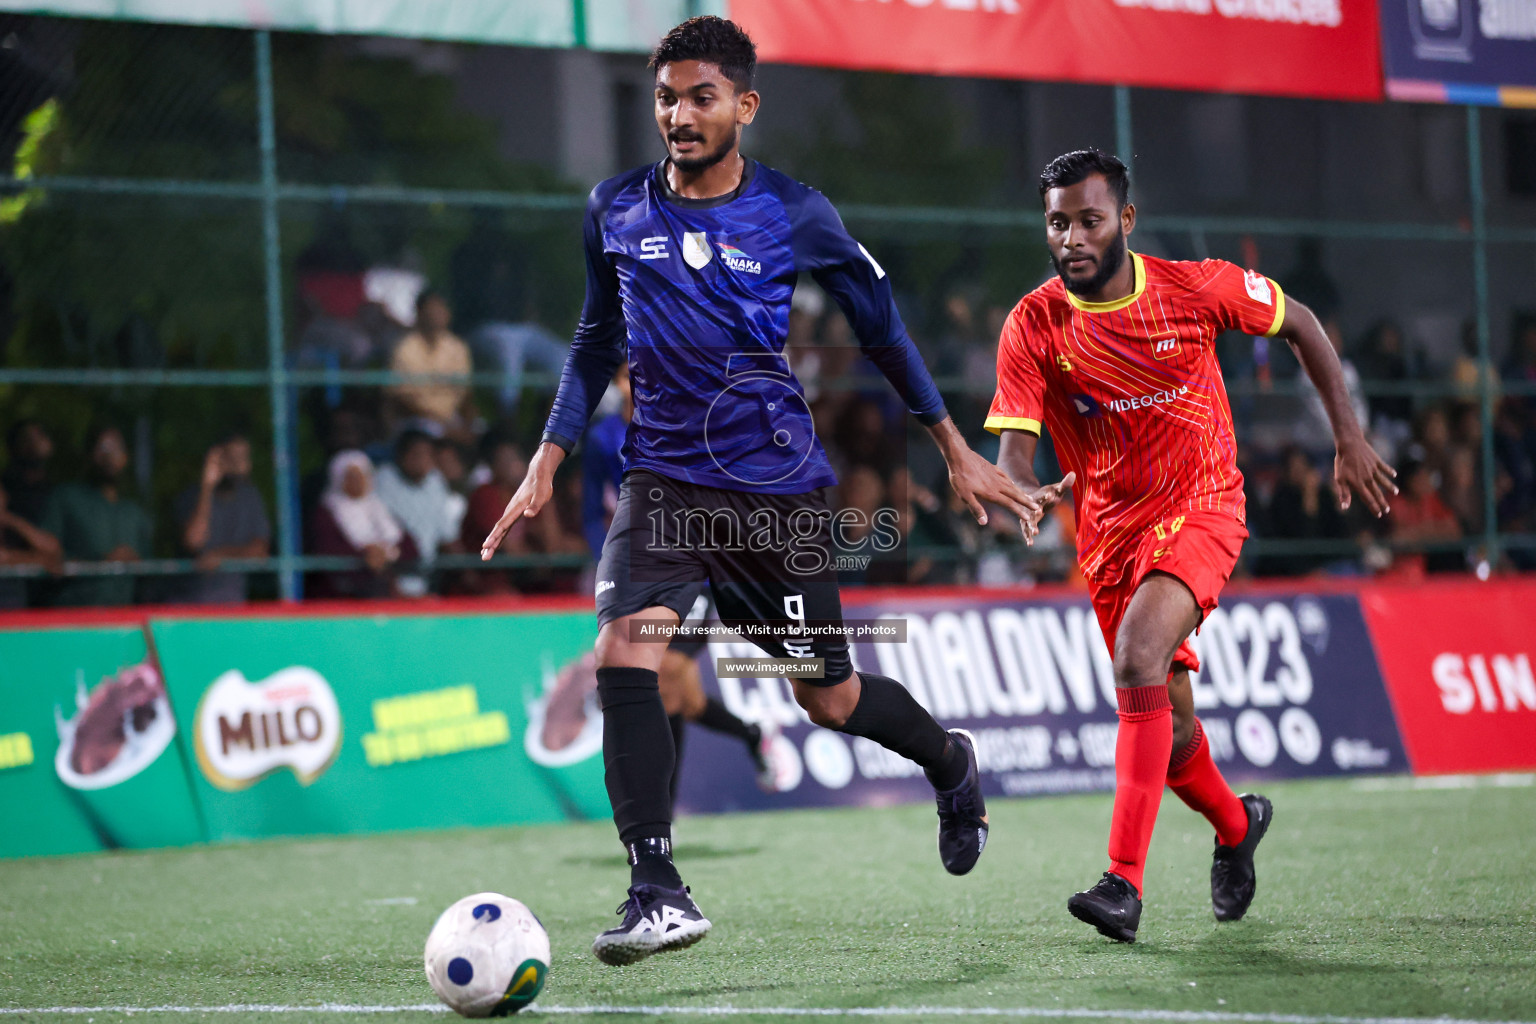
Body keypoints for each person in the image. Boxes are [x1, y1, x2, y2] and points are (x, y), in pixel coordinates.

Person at [479, 16, 1036, 967]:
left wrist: (951, 443)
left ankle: (950, 760)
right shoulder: (614, 207)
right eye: (664, 97)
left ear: (745, 105)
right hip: (661, 482)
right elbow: (592, 341)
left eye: (700, 97)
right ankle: (656, 887)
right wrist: (551, 452)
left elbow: (884, 331)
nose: (679, 115)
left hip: (775, 497)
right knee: (624, 645)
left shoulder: (796, 212)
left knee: (829, 696)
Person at [989, 150, 1396, 943]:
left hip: (1204, 504)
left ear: (1126, 221)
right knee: (1171, 733)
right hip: (1110, 536)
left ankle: (1122, 884)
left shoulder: (1195, 287)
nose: (1071, 237)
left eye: (1088, 220)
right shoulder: (1034, 323)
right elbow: (1014, 445)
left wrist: (1348, 437)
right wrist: (1016, 484)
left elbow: (1302, 323)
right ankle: (1238, 827)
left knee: (1139, 658)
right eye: (1057, 222)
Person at [581, 364, 794, 799]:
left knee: (668, 675)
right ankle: (752, 734)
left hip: (691, 570)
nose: (631, 382)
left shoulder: (688, 428)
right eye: (622, 374)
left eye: (637, 373)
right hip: (633, 569)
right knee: (685, 698)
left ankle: (664, 812)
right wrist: (609, 557)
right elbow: (589, 510)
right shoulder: (602, 438)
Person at [41, 425, 155, 607]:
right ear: (88, 455)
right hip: (74, 617)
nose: (110, 455)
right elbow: (46, 559)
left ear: (126, 457)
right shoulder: (67, 497)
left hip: (125, 620)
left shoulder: (134, 511)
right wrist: (101, 562)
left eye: (117, 448)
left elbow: (151, 571)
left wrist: (136, 562)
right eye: (102, 448)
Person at [173, 434, 272, 603]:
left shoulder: (250, 497)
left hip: (232, 604)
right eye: (232, 457)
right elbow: (194, 541)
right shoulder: (191, 496)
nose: (239, 465)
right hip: (189, 604)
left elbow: (260, 552)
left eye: (243, 458)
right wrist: (207, 485)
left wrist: (220, 555)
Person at [307, 451, 418, 599]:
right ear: (338, 478)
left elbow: (411, 549)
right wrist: (365, 555)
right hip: (342, 594)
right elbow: (329, 551)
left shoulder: (378, 505)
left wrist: (387, 553)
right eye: (351, 477)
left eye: (362, 475)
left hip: (386, 590)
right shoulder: (326, 511)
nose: (358, 482)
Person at [376, 429, 463, 594]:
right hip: (390, 574)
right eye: (416, 454)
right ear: (401, 455)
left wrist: (467, 571)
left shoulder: (435, 480)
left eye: (428, 455)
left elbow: (447, 535)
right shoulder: (383, 478)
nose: (422, 461)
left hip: (426, 574)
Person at [388, 291, 478, 443]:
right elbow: (401, 400)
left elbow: (466, 394)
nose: (436, 315)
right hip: (417, 420)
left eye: (440, 309)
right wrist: (438, 422)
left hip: (453, 419)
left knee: (481, 433)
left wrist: (467, 424)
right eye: (431, 309)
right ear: (420, 313)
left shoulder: (457, 347)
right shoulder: (405, 349)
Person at [0, 479, 61, 608]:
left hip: (16, 616)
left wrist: (12, 520)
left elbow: (52, 551)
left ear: (5, 496)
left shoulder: (13, 531)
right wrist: (32, 560)